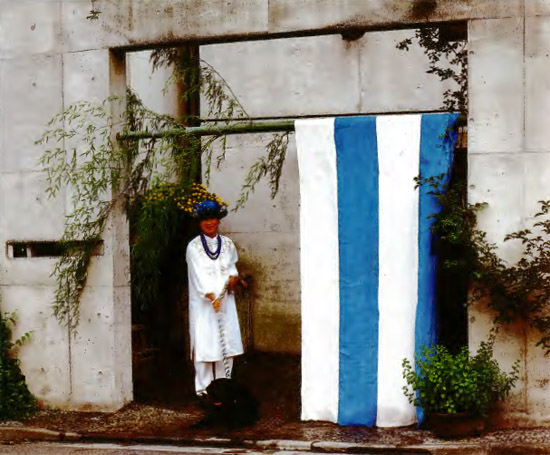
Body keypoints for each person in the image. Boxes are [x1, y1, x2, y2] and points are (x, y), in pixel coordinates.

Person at [186, 199, 244, 397]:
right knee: (205, 342)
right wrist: (211, 296)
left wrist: (233, 280)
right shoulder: (193, 247)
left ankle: (223, 384)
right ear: (199, 223)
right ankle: (203, 389)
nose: (209, 223)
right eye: (205, 220)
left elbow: (232, 267)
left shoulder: (227, 244)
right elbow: (197, 275)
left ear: (218, 220)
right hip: (205, 302)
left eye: (212, 219)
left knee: (225, 340)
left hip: (225, 300)